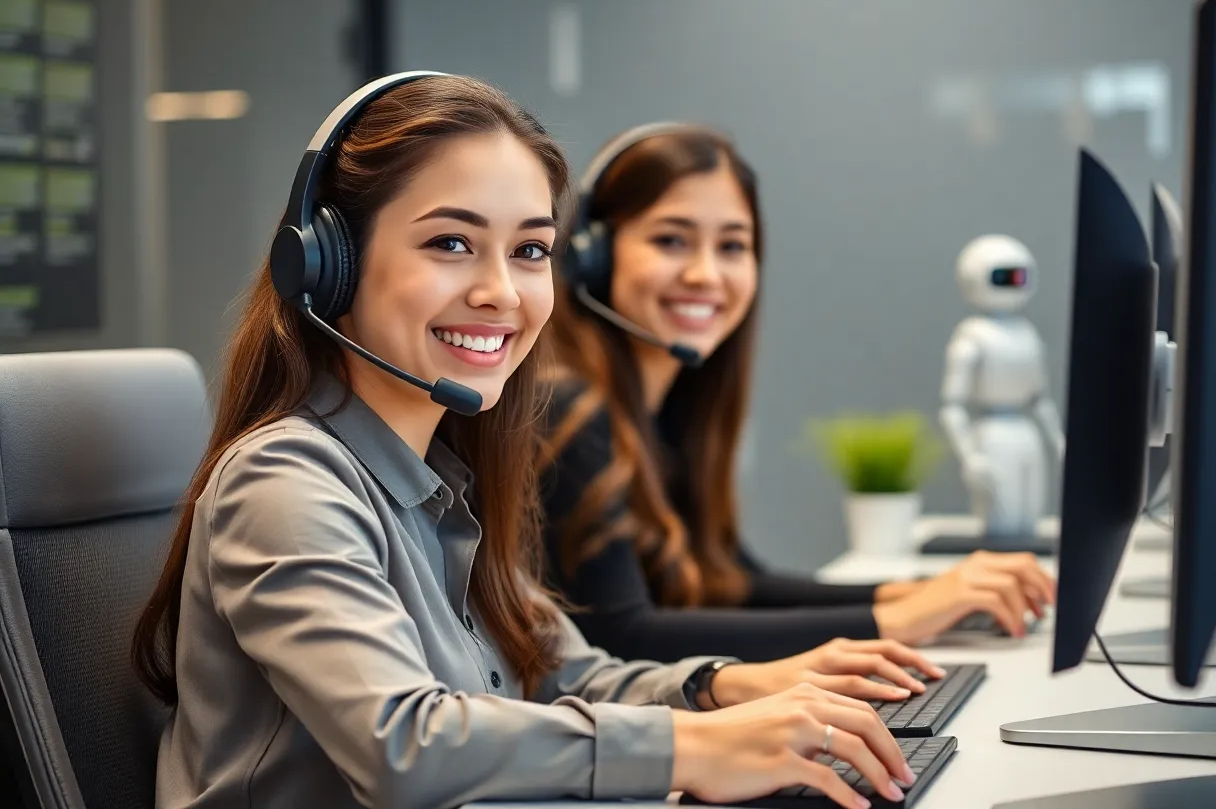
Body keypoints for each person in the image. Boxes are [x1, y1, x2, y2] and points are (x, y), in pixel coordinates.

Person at [130, 74, 917, 809]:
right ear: (328, 265)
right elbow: (403, 746)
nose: (501, 293)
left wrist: (724, 688)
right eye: (450, 243)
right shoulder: (285, 482)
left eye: (530, 250)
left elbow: (566, 673)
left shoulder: (442, 482)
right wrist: (693, 745)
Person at [538, 122, 1058, 667]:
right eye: (671, 240)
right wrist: (895, 622)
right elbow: (620, 636)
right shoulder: (566, 409)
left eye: (733, 246)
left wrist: (909, 593)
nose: (706, 274)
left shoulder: (667, 408)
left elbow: (732, 582)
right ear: (590, 255)